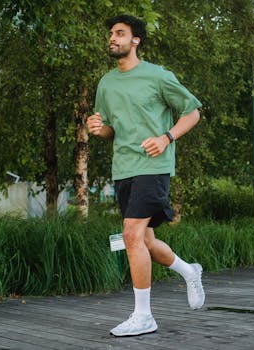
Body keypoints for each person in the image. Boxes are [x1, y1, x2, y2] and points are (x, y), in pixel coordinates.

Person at [86, 14, 205, 337]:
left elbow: (192, 112)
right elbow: (111, 129)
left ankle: (143, 316)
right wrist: (98, 130)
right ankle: (189, 271)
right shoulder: (106, 83)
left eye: (120, 33)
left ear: (135, 40)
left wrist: (166, 138)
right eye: (111, 33)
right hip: (123, 168)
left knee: (130, 234)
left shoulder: (158, 76)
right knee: (146, 242)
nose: (112, 38)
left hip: (154, 167)